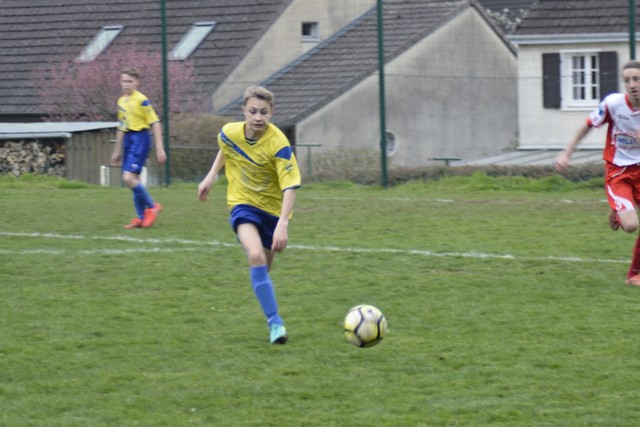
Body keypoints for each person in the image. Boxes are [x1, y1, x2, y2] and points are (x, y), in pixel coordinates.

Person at [198, 86, 301, 344]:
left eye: (263, 112)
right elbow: (226, 148)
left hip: (272, 211)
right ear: (243, 110)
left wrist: (283, 224)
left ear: (271, 113)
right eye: (253, 111)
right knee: (255, 255)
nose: (258, 117)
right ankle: (275, 324)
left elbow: (290, 186)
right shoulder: (229, 132)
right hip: (242, 204)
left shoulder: (279, 144)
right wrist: (211, 176)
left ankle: (255, 246)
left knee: (263, 267)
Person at [556, 60, 640, 286]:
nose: (632, 85)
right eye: (627, 80)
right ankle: (619, 211)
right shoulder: (613, 104)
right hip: (619, 173)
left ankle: (634, 274)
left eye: (636, 79)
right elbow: (587, 125)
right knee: (631, 226)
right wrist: (567, 152)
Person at [111, 66, 166, 229]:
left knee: (128, 178)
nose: (126, 84)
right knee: (133, 180)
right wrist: (117, 151)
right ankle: (141, 218)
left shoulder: (142, 100)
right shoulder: (121, 101)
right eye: (123, 81)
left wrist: (160, 148)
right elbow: (121, 126)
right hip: (128, 140)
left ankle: (152, 207)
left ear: (137, 82)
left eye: (129, 81)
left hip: (140, 138)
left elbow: (155, 122)